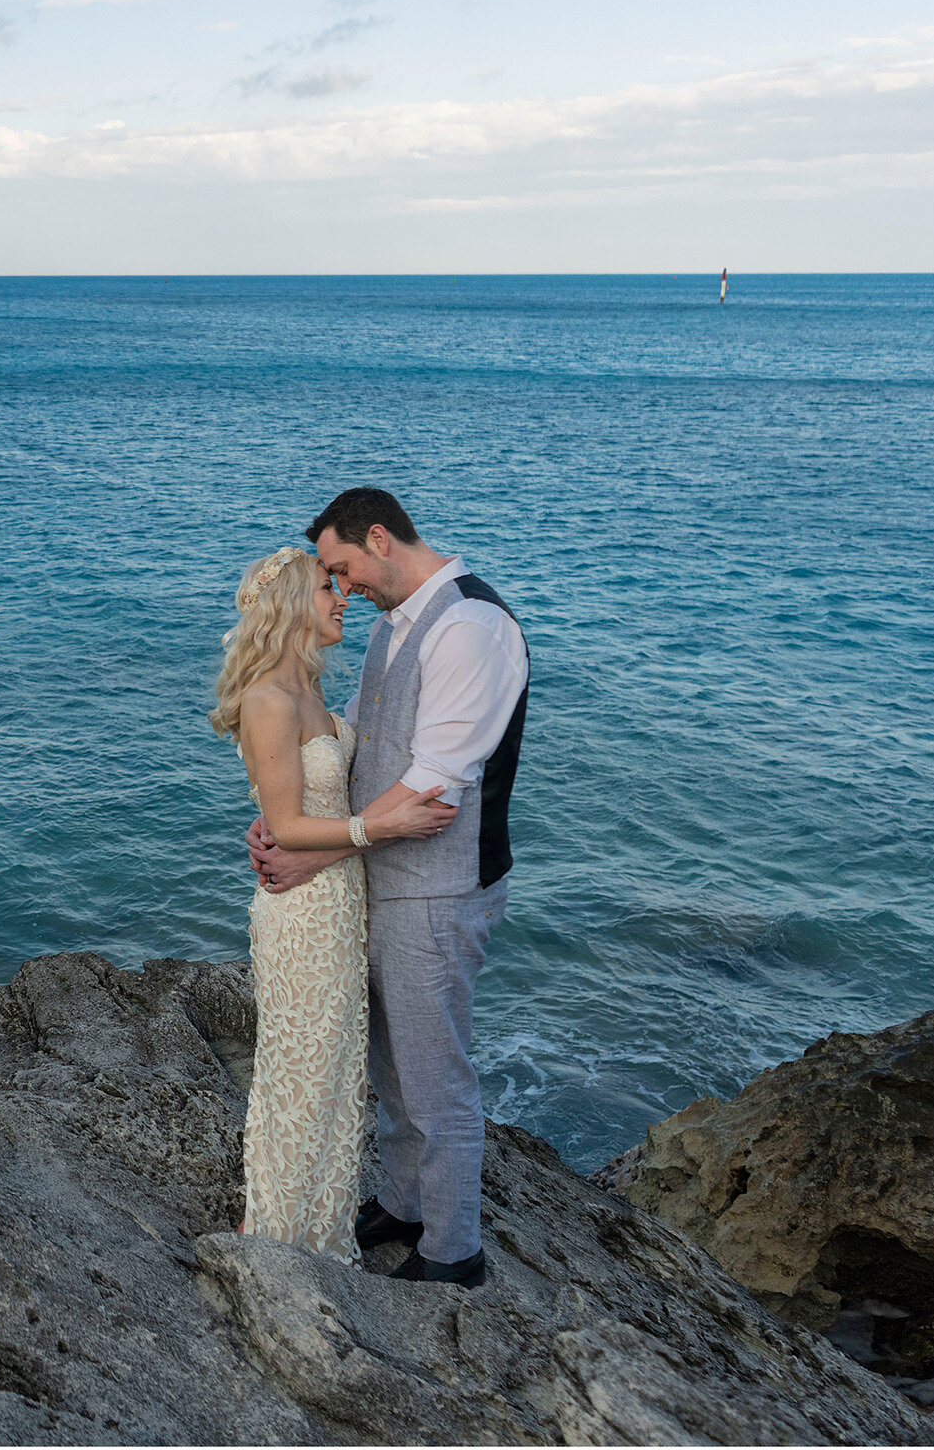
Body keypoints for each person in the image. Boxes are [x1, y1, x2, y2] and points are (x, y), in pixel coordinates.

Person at [246, 489, 529, 1290]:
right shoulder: (390, 627)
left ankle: (453, 1250)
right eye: (329, 579)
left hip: (436, 888)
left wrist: (311, 855)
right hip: (373, 878)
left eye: (342, 568)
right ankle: (405, 1204)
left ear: (379, 538)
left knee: (435, 1070)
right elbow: (364, 754)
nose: (344, 586)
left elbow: (433, 789)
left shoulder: (471, 628)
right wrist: (293, 820)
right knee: (394, 1062)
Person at [210, 545, 455, 1263]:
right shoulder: (267, 699)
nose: (342, 596)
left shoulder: (311, 693)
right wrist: (384, 827)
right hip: (302, 911)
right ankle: (271, 1234)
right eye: (326, 588)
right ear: (289, 604)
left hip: (341, 902)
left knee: (337, 1074)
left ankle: (318, 1234)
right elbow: (286, 826)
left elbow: (301, 804)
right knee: (298, 1070)